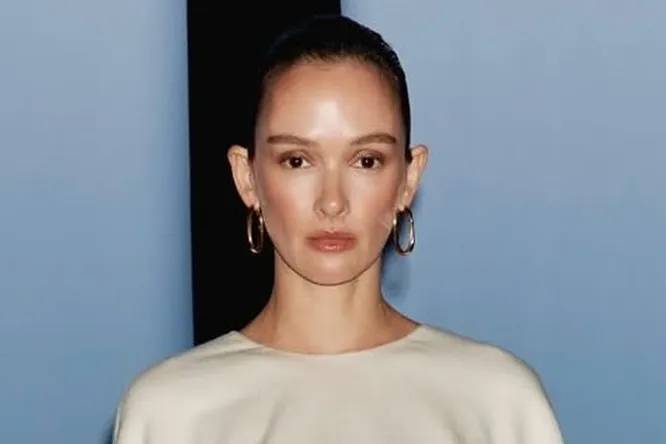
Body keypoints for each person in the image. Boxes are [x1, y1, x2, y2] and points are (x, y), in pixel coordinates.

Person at [113, 14, 564, 444]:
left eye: (366, 161)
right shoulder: (171, 412)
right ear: (246, 177)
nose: (332, 201)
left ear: (408, 179)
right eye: (297, 161)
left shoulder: (498, 402)